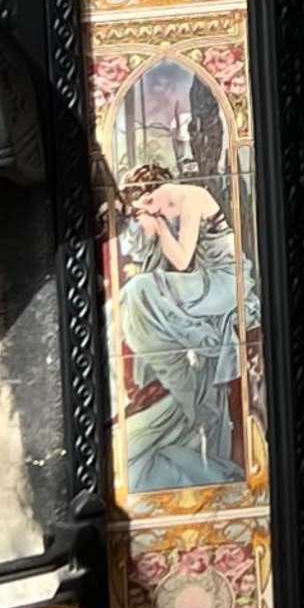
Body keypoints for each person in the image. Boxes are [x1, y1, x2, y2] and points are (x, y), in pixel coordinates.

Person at [112, 158, 247, 499]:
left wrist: (158, 227)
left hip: (224, 282)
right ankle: (175, 379)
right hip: (206, 283)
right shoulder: (166, 206)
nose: (151, 211)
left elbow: (183, 260)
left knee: (141, 291)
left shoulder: (191, 197)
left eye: (147, 204)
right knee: (136, 295)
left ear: (153, 193)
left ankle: (182, 372)